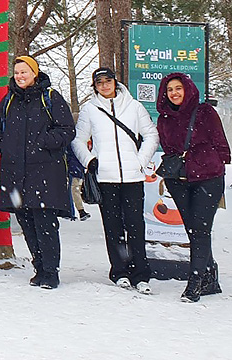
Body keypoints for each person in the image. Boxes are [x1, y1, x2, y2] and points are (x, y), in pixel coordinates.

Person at [0, 55, 75, 290]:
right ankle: (39, 268)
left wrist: (44, 141)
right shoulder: (9, 99)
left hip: (45, 172)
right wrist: (4, 143)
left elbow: (67, 130)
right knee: (26, 223)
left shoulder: (51, 98)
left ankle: (51, 271)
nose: (20, 76)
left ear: (34, 73)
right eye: (16, 72)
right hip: (16, 173)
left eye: (24, 72)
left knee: (45, 223)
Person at [72, 67, 159, 294]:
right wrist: (90, 161)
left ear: (115, 82)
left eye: (107, 80)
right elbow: (78, 140)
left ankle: (141, 274)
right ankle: (119, 271)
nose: (104, 85)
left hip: (133, 177)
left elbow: (151, 134)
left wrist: (140, 161)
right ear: (95, 86)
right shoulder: (90, 110)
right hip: (106, 178)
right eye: (99, 82)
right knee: (113, 228)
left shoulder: (134, 106)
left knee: (136, 226)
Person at [156, 72, 230, 303]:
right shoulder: (164, 118)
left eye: (178, 88)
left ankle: (195, 282)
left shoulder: (205, 112)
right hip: (178, 180)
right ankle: (210, 277)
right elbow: (168, 148)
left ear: (187, 89)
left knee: (200, 229)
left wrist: (214, 162)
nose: (174, 93)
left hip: (207, 177)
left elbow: (220, 142)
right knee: (193, 230)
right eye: (170, 90)